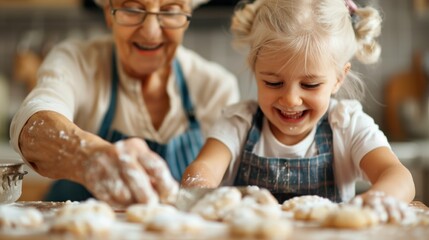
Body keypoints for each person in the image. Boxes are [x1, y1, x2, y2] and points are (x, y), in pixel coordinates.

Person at [181, 0, 415, 206]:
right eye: (273, 83)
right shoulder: (238, 124)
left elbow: (398, 177)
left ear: (338, 79)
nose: (291, 99)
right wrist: (201, 194)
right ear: (255, 71)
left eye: (310, 85)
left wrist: (374, 202)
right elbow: (203, 171)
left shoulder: (346, 125)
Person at [9, 0, 240, 207]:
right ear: (109, 14)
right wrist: (88, 156)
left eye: (170, 10)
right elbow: (32, 126)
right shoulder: (77, 62)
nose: (150, 32)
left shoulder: (216, 89)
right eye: (132, 8)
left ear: (187, 17)